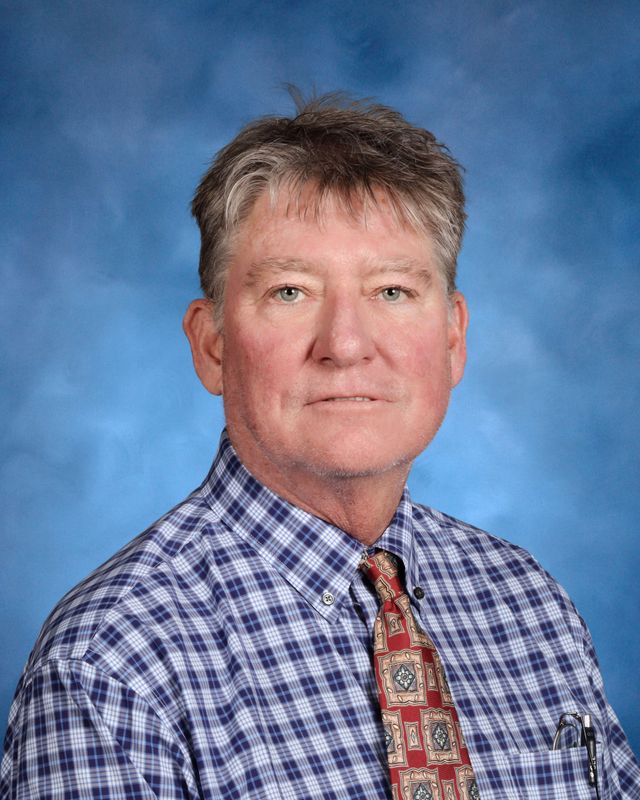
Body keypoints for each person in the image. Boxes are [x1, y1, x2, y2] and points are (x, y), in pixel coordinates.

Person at [1, 93, 638, 800]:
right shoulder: (111, 668)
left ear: (453, 339)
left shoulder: (528, 606)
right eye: (290, 292)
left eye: (391, 291)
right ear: (212, 346)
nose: (345, 345)